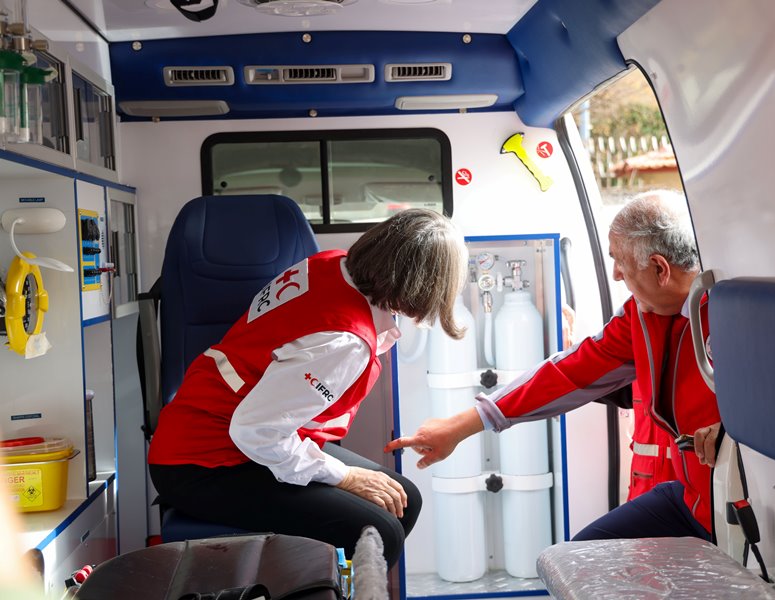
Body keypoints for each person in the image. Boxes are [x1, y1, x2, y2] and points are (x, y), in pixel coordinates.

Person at [386, 191, 723, 541]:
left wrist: (728, 431)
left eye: (620, 262)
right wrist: (460, 426)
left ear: (659, 269)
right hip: (691, 500)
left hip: (731, 506)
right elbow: (569, 373)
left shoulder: (730, 313)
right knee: (579, 558)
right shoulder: (642, 316)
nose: (615, 274)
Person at [148, 208, 469, 567]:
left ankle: (330, 583)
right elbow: (256, 431)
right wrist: (345, 477)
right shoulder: (344, 340)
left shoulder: (332, 264)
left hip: (229, 431)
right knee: (379, 533)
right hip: (203, 462)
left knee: (403, 500)